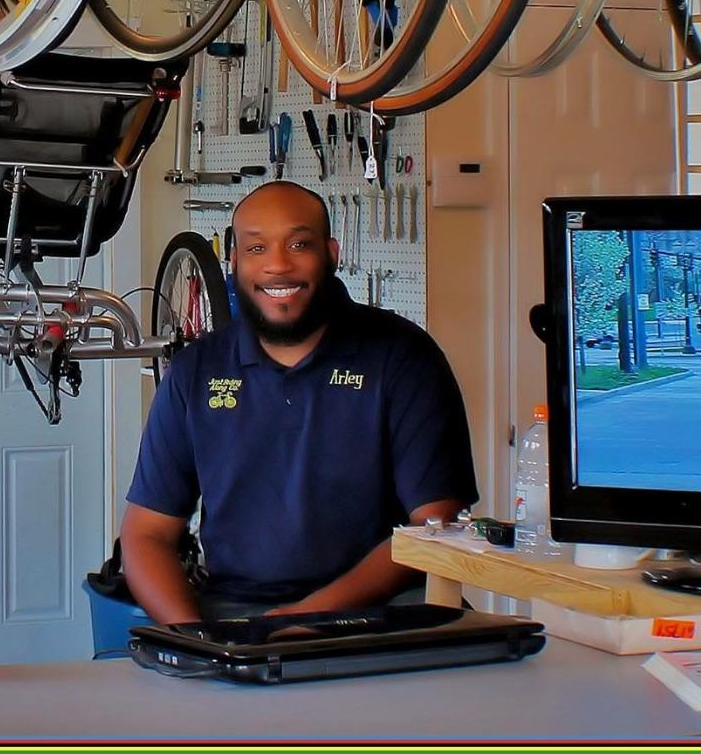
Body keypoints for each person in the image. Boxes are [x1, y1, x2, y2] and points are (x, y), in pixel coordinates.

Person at [121, 181, 478, 624]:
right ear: (233, 263)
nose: (277, 265)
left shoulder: (404, 358)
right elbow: (146, 533)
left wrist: (305, 618)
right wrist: (195, 639)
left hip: (383, 611)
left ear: (332, 253)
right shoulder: (195, 371)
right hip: (235, 612)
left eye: (298, 244)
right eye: (256, 248)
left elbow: (434, 526)